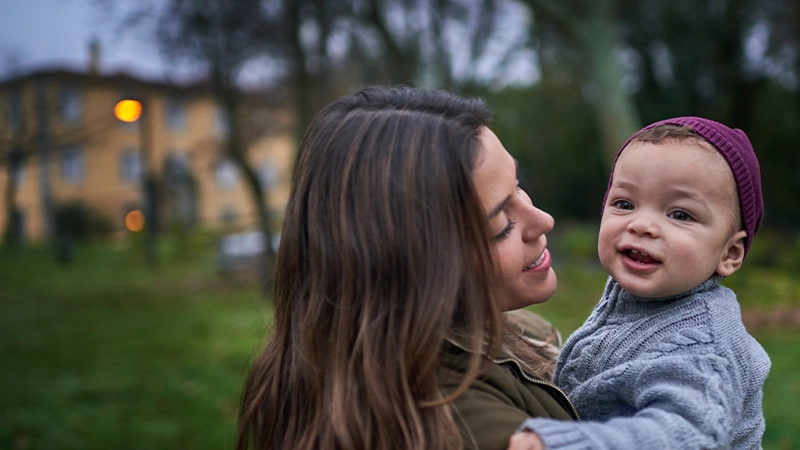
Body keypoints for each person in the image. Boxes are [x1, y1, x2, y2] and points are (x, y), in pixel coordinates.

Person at [235, 86, 578, 450]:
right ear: (410, 265)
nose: (544, 220)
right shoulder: (457, 423)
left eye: (518, 186)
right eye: (500, 227)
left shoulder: (513, 326)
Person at [511, 117, 771, 449]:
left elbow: (687, 434)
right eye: (625, 204)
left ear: (729, 253)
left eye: (680, 214)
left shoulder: (704, 346)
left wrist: (564, 443)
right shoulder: (642, 298)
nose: (642, 224)